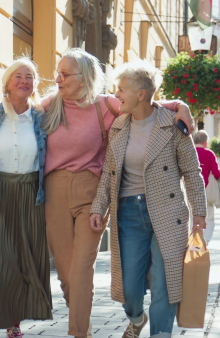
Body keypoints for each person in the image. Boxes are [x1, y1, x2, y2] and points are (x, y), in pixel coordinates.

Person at [41, 48, 195, 338]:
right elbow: (17, 111)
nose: (58, 78)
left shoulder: (107, 106)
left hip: (92, 192)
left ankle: (79, 334)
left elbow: (145, 102)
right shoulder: (51, 105)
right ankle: (105, 322)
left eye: (65, 73)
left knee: (83, 269)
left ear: (84, 77)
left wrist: (180, 106)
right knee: (67, 275)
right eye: (57, 73)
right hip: (56, 192)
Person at [89, 59, 207, 338]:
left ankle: (161, 333)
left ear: (141, 94)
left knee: (165, 282)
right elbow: (108, 173)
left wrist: (199, 212)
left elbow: (192, 171)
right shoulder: (119, 126)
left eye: (121, 89)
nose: (116, 95)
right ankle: (136, 317)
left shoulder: (174, 125)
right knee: (130, 287)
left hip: (168, 211)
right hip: (129, 213)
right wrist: (98, 207)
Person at [0, 57, 52, 338]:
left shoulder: (42, 117)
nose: (24, 81)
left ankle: (14, 322)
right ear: (6, 82)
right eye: (18, 76)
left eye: (29, 77)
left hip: (31, 193)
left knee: (22, 259)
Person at [193, 130, 220, 242]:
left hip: (189, 191)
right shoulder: (209, 154)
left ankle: (193, 243)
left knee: (191, 218)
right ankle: (204, 243)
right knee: (209, 219)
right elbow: (217, 173)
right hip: (206, 193)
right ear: (205, 142)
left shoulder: (188, 152)